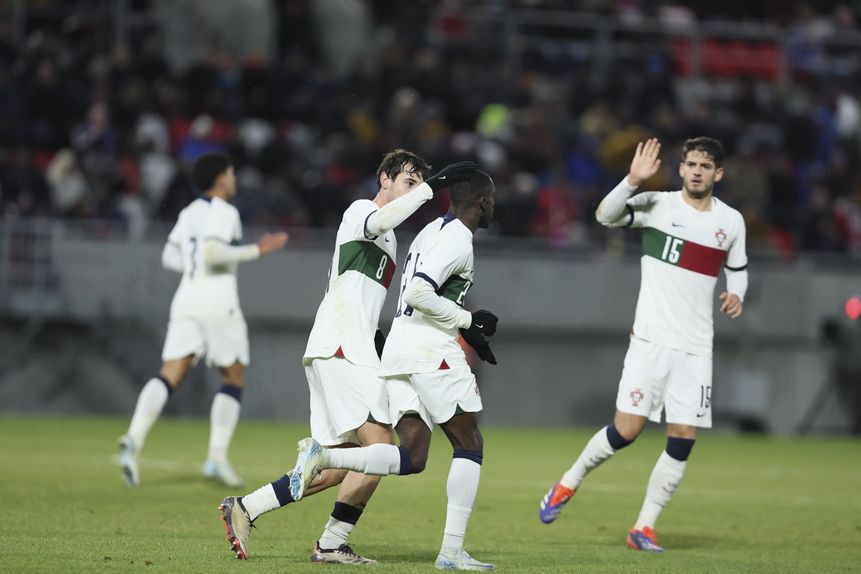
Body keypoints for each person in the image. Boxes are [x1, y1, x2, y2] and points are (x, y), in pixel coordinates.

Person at [218, 150, 479, 563]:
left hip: (345, 347)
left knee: (340, 464)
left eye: (418, 183)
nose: (414, 190)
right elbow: (381, 221)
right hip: (342, 347)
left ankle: (247, 507)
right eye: (408, 182)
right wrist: (432, 188)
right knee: (382, 447)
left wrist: (377, 339)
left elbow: (361, 295)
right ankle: (331, 542)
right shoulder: (362, 212)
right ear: (384, 179)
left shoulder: (391, 239)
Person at [538, 137, 748, 553]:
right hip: (651, 341)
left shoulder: (731, 222)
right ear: (681, 168)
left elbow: (738, 269)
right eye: (691, 164)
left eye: (705, 166)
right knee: (627, 430)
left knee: (683, 436)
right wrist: (632, 180)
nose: (697, 171)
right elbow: (605, 215)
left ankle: (644, 528)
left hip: (695, 348)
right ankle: (567, 483)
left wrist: (736, 293)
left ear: (718, 173)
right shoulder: (658, 205)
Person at [290, 169, 499, 571]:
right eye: (492, 200)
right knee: (469, 442)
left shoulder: (428, 232)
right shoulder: (458, 238)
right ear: (483, 202)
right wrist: (468, 321)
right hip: (431, 352)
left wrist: (470, 334)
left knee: (414, 455)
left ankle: (325, 458)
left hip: (400, 352)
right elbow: (420, 292)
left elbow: (424, 292)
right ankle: (451, 551)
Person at [117, 152, 288, 488]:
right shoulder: (225, 211)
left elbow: (170, 257)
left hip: (186, 297)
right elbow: (212, 252)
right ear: (221, 178)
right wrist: (257, 250)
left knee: (170, 373)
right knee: (234, 375)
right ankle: (216, 458)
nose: (234, 179)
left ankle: (134, 438)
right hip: (217, 299)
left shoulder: (189, 211)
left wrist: (194, 266)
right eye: (232, 173)